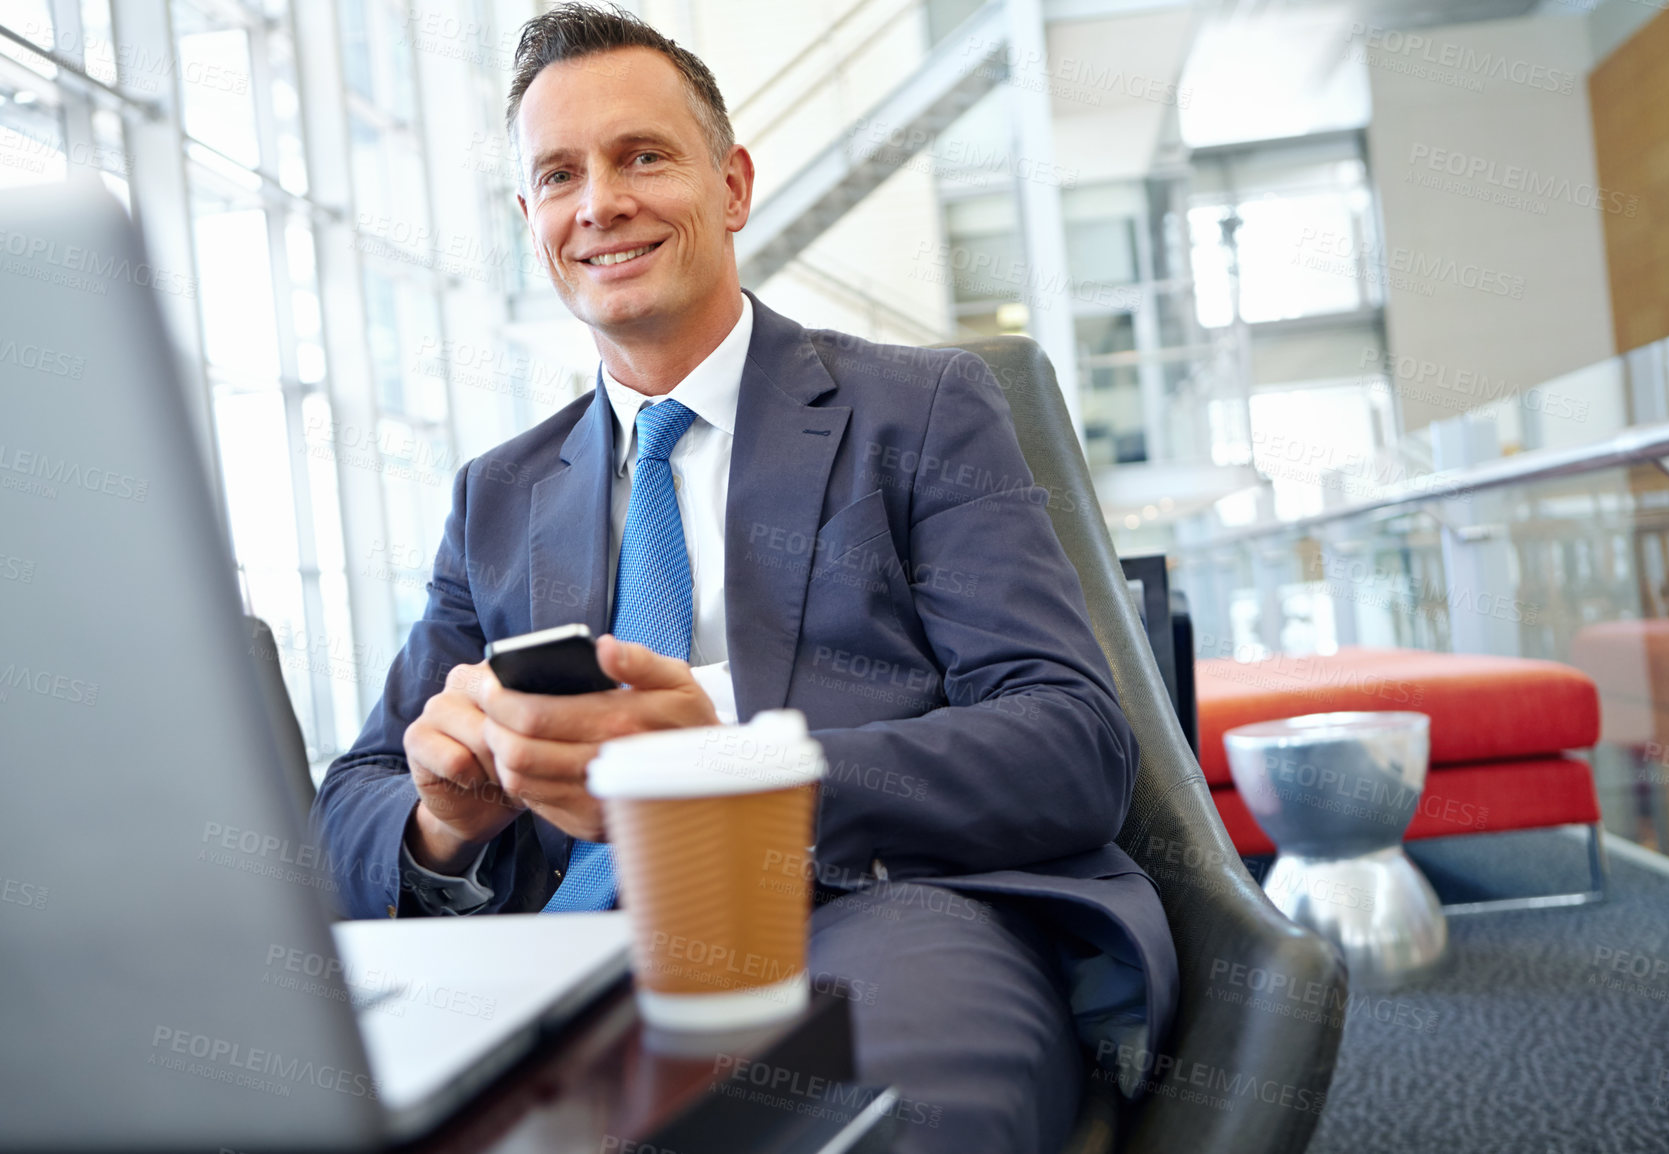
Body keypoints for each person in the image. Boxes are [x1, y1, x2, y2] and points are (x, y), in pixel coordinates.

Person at [310, 5, 1177, 1151]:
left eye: (641, 157)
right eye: (559, 175)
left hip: (871, 908)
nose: (599, 203)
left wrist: (726, 755)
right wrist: (439, 822)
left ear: (730, 186)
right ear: (532, 221)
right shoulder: (498, 494)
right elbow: (347, 805)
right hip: (563, 949)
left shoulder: (920, 410)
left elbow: (1072, 744)